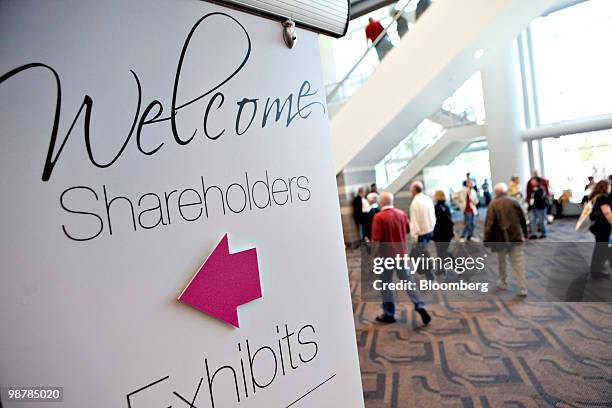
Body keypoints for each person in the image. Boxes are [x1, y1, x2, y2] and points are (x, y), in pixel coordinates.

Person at [371, 192, 432, 325]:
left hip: (385, 258)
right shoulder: (401, 214)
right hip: (402, 255)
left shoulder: (378, 217)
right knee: (409, 282)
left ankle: (389, 314)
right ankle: (419, 305)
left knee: (386, 285)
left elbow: (376, 240)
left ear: (381, 203)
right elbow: (407, 230)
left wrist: (373, 257)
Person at [484, 183, 528, 297]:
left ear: (495, 193)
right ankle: (522, 288)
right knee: (518, 262)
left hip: (500, 239)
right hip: (516, 236)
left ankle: (503, 282)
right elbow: (523, 219)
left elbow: (489, 224)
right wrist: (525, 233)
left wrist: (487, 240)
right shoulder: (514, 201)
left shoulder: (493, 204)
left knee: (501, 261)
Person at [409, 181, 436, 280]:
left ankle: (430, 275)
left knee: (420, 254)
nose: (410, 192)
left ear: (414, 190)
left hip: (421, 233)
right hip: (430, 229)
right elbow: (432, 214)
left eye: (411, 190)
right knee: (423, 252)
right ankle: (430, 273)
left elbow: (414, 221)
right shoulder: (427, 198)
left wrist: (414, 236)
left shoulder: (415, 202)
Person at [587, 180, 612, 278]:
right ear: (606, 187)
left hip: (597, 226)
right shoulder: (604, 197)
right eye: (609, 186)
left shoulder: (596, 196)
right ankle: (596, 271)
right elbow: (607, 213)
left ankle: (597, 268)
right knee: (601, 247)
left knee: (600, 247)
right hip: (603, 227)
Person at [433, 190, 454, 260]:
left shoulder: (436, 207)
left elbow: (438, 221)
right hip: (447, 233)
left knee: (441, 252)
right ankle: (441, 270)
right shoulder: (446, 206)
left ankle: (457, 265)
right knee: (442, 252)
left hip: (440, 234)